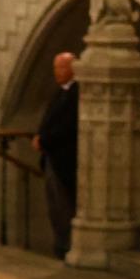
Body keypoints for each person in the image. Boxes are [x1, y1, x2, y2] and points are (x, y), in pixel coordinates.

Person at [32, 52, 79, 260]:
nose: (56, 73)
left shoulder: (76, 93)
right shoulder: (59, 92)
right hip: (51, 156)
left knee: (64, 206)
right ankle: (60, 244)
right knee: (54, 206)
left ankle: (66, 246)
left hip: (64, 159)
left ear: (73, 69)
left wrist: (44, 140)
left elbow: (68, 126)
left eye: (61, 68)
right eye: (55, 68)